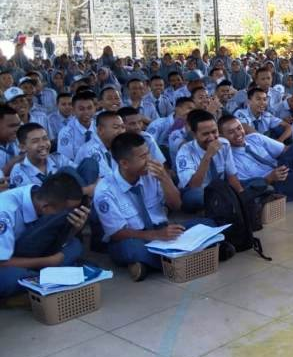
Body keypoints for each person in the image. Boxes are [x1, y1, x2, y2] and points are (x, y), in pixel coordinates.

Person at [94, 132, 227, 282]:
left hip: (164, 232)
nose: (150, 160)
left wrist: (164, 178)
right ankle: (198, 257)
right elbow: (117, 233)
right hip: (134, 237)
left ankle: (151, 265)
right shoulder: (105, 191)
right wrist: (156, 235)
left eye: (148, 154)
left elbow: (176, 205)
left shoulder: (152, 173)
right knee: (132, 249)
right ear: (124, 163)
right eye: (143, 157)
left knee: (208, 224)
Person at [0, 173, 90, 298]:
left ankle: (42, 277)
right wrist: (48, 261)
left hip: (33, 252)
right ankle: (53, 275)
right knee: (8, 279)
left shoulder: (38, 193)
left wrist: (75, 229)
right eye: (66, 210)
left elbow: (52, 238)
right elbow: (2, 263)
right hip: (7, 260)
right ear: (45, 207)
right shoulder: (5, 211)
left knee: (75, 244)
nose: (69, 214)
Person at [219, 116, 293, 201]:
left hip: (279, 169)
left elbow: (284, 149)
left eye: (239, 128)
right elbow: (247, 189)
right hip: (271, 186)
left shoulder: (254, 138)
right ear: (222, 137)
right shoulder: (229, 159)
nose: (238, 134)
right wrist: (269, 178)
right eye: (231, 132)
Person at [175, 109, 244, 212]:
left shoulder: (224, 144)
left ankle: (223, 204)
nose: (212, 137)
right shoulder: (185, 152)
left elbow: (231, 175)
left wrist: (242, 197)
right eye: (205, 134)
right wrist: (207, 156)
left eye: (214, 132)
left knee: (252, 183)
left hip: (220, 189)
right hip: (197, 191)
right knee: (197, 196)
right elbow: (194, 185)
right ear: (194, 134)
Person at [9, 123, 98, 194]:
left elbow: (84, 175)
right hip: (48, 211)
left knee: (90, 163)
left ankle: (85, 204)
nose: (43, 144)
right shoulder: (19, 170)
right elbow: (42, 198)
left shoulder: (57, 158)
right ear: (22, 147)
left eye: (45, 138)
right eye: (35, 141)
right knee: (66, 170)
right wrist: (86, 190)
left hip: (73, 200)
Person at [75, 111, 126, 179]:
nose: (121, 131)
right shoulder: (90, 149)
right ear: (100, 130)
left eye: (123, 127)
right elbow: (108, 179)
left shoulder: (116, 145)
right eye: (116, 127)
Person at [56, 90, 97, 162]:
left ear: (95, 109)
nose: (86, 112)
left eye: (89, 108)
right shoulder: (66, 132)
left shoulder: (100, 127)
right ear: (73, 111)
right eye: (81, 109)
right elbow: (66, 161)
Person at [0, 104, 22, 179]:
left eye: (19, 125)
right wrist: (9, 166)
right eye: (12, 126)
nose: (18, 129)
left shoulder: (19, 139)